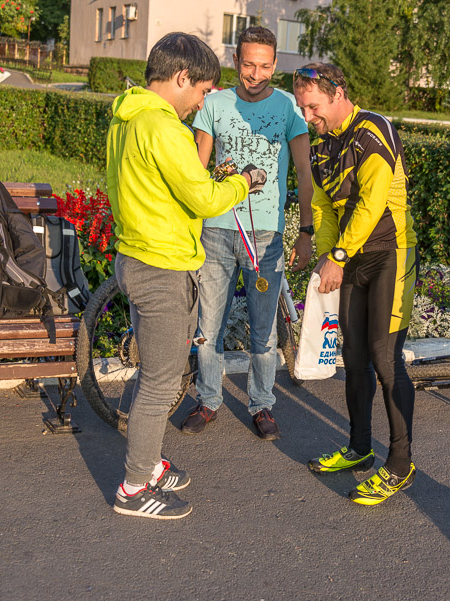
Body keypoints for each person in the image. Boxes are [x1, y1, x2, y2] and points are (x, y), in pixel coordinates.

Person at [106, 32, 266, 519]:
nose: (203, 101)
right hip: (164, 266)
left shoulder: (126, 117)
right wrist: (246, 180)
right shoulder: (165, 127)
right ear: (181, 78)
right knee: (161, 380)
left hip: (136, 255)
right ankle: (134, 488)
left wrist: (206, 180)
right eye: (201, 90)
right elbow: (204, 201)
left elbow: (167, 187)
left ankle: (148, 463)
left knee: (156, 373)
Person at [293, 63, 419, 506]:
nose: (309, 117)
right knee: (354, 356)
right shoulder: (321, 145)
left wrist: (338, 257)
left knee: (386, 360)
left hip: (390, 252)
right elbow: (325, 208)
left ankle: (400, 465)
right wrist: (327, 258)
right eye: (303, 108)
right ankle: (360, 448)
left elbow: (370, 203)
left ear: (339, 93)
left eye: (314, 107)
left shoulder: (373, 129)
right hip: (352, 258)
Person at [182, 26, 313, 441]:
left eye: (265, 65)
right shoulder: (214, 105)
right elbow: (196, 173)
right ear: (235, 61)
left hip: (266, 237)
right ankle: (208, 400)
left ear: (275, 65)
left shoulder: (290, 107)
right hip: (216, 232)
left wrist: (306, 231)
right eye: (248, 64)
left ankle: (262, 404)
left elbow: (305, 174)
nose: (256, 74)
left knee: (263, 329)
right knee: (209, 325)